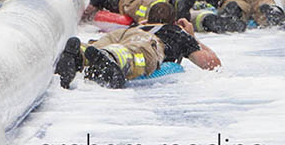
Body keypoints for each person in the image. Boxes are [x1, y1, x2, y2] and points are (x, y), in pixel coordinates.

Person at [55, 14, 221, 89]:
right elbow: (212, 65)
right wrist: (192, 38)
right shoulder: (175, 32)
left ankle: (80, 53)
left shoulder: (140, 25)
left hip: (122, 34)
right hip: (145, 43)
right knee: (135, 55)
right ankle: (111, 58)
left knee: (98, 46)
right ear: (173, 21)